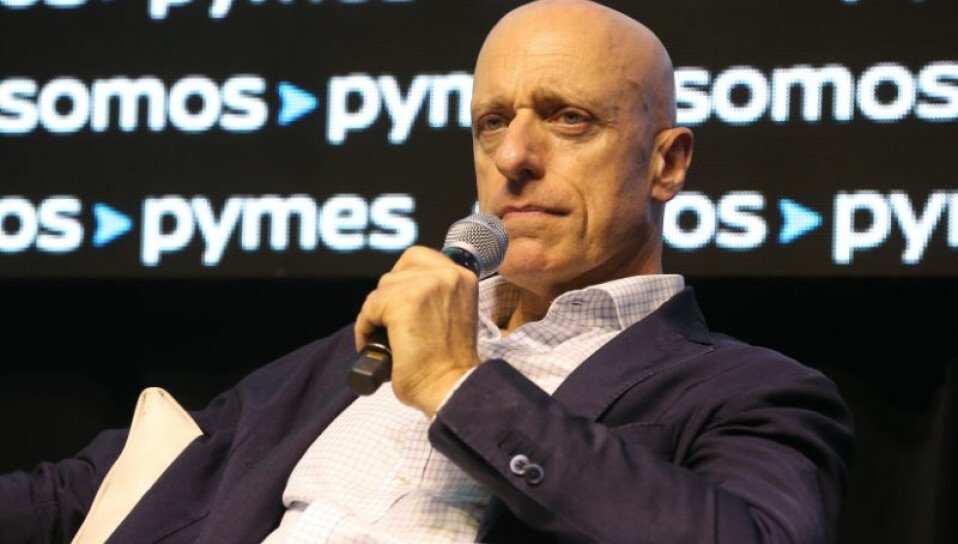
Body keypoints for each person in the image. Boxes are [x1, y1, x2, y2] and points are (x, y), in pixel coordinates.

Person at [0, 1, 853, 542]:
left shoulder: (748, 393)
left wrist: (458, 384)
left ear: (666, 164)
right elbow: (82, 491)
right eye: (492, 123)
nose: (513, 157)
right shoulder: (354, 359)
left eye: (567, 119)